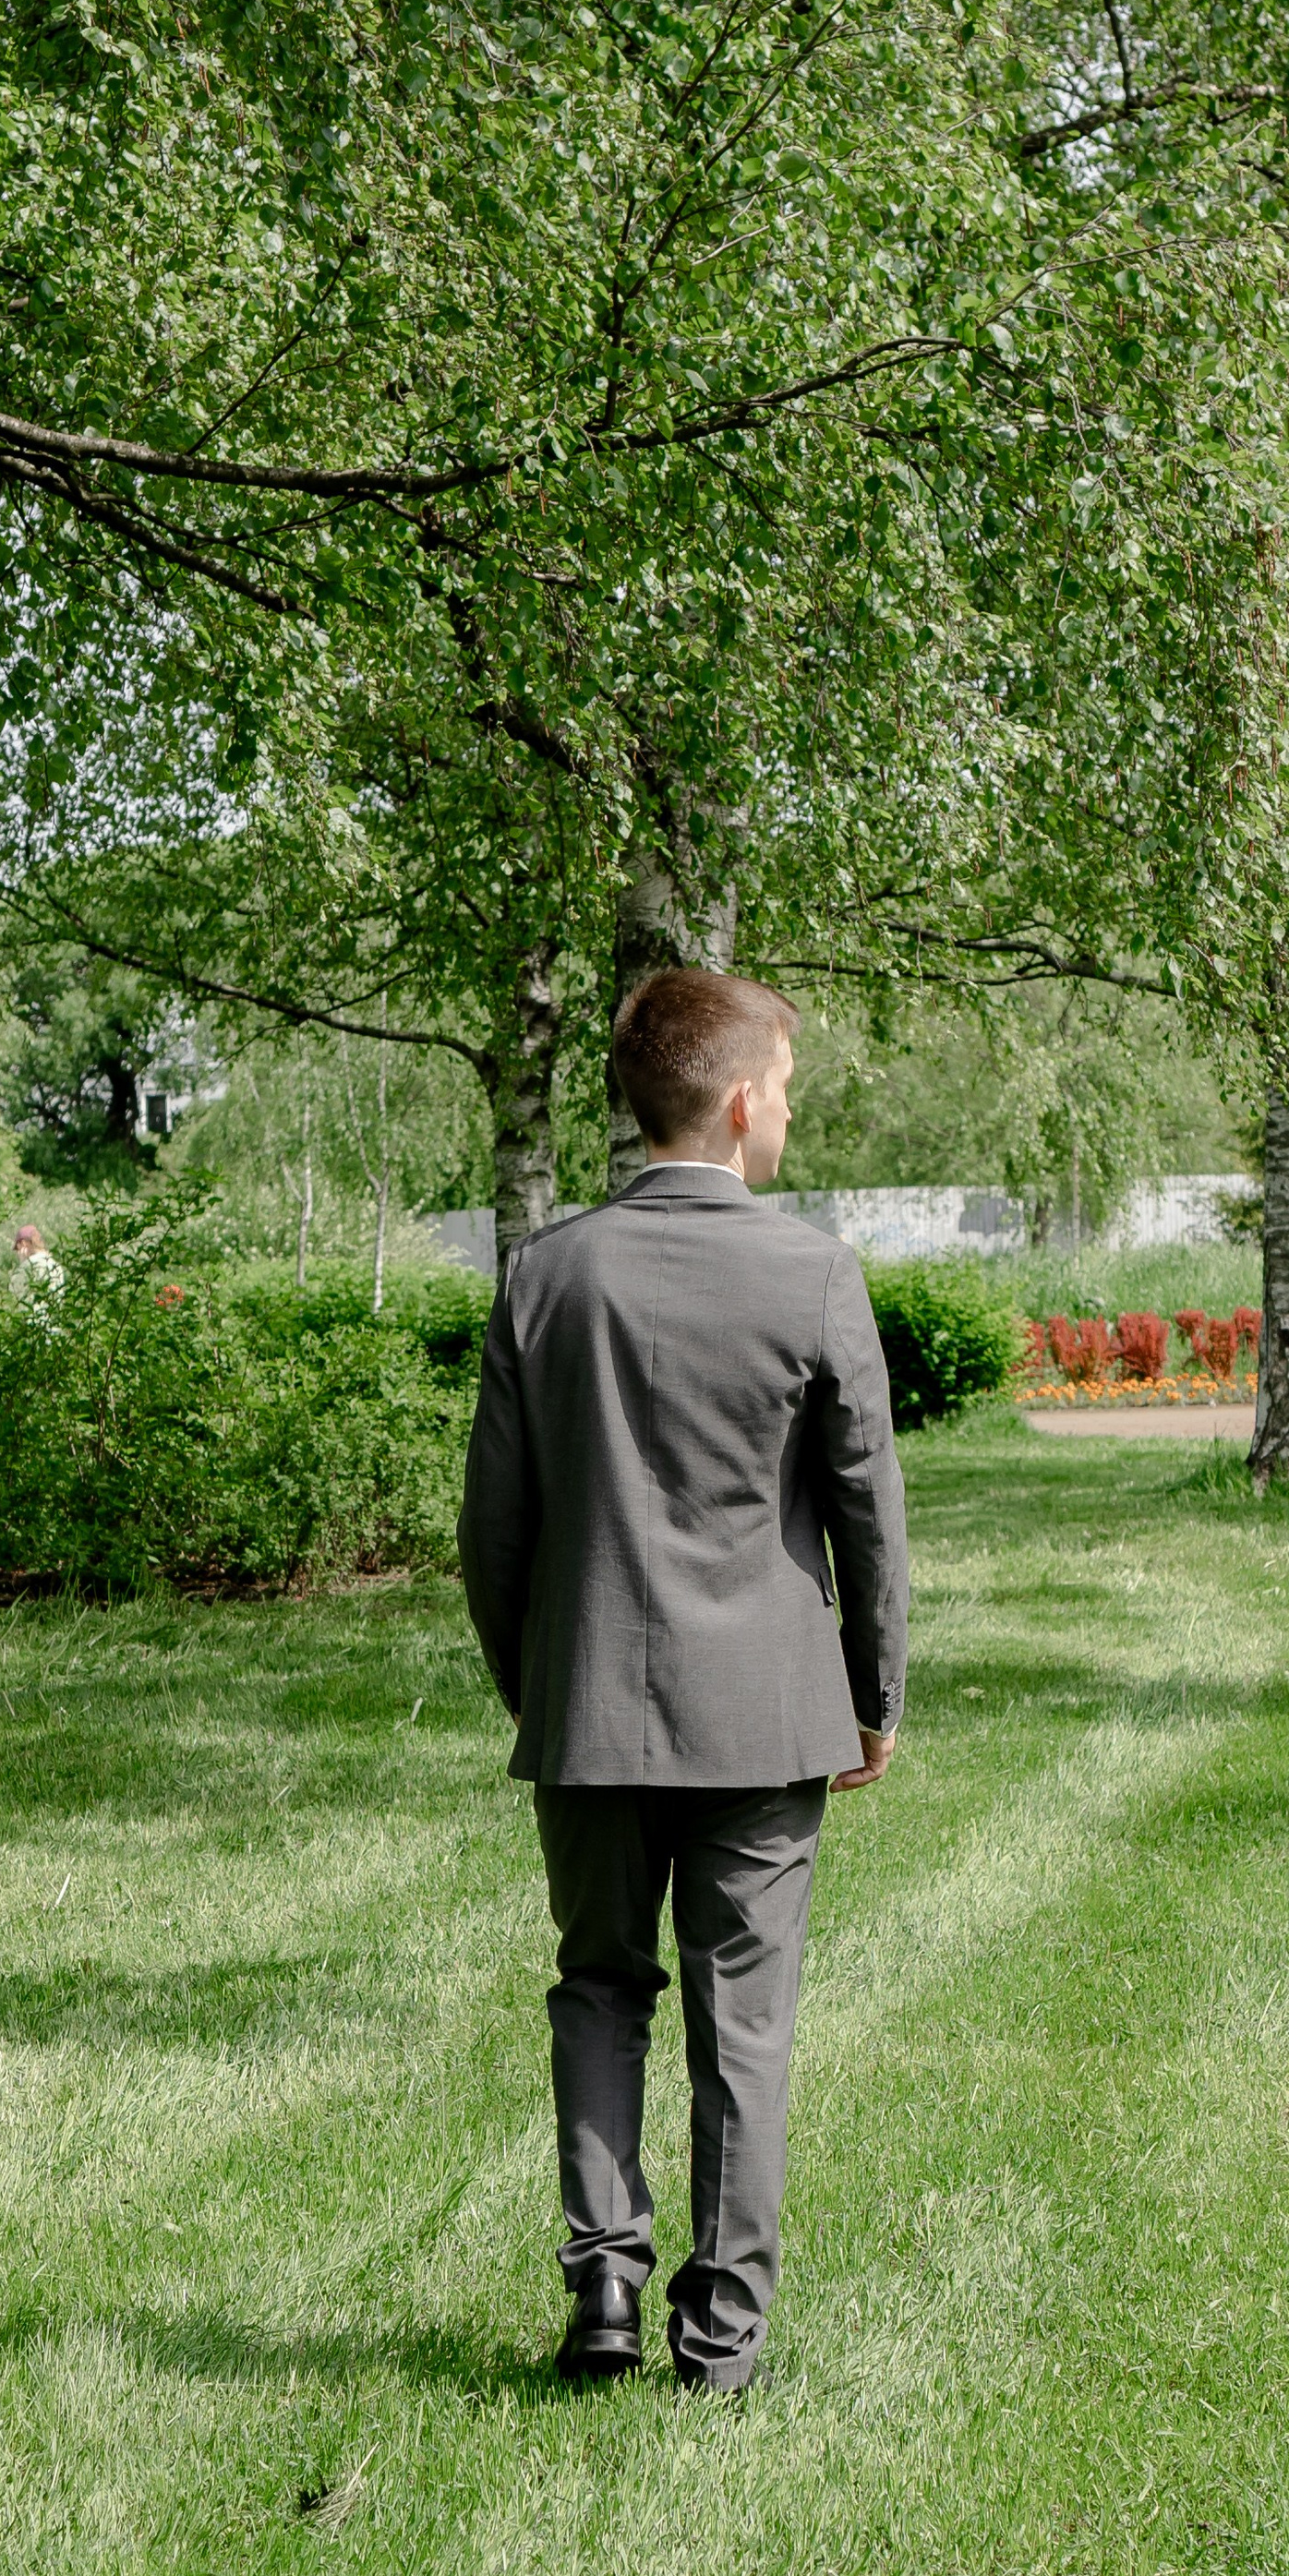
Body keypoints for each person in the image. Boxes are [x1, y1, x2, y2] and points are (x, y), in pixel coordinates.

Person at [459, 968, 909, 2398]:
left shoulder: (544, 1273)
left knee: (598, 1986)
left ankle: (602, 2285)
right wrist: (873, 1692)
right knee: (744, 2021)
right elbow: (865, 1512)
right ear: (734, 1102)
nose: (787, 1107)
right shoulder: (813, 1273)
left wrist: (533, 1682)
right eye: (782, 1085)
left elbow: (495, 1529)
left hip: (586, 1702)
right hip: (767, 1715)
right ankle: (717, 2340)